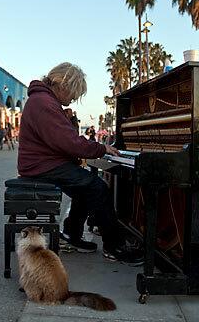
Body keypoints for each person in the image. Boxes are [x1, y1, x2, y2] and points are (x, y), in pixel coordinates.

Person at [18, 62, 143, 264]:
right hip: (42, 166)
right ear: (64, 84)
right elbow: (68, 142)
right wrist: (101, 148)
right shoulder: (44, 103)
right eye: (74, 93)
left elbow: (64, 141)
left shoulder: (42, 100)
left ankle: (71, 234)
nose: (74, 99)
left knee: (85, 187)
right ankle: (114, 246)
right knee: (98, 188)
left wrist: (92, 150)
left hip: (42, 163)